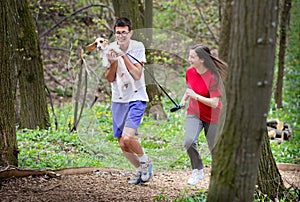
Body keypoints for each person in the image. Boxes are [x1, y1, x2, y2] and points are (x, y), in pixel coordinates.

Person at [105, 17, 153, 185]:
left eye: (124, 33)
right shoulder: (109, 49)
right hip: (118, 100)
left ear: (130, 32)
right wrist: (112, 62)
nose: (121, 36)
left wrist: (123, 56)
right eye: (118, 33)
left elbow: (137, 74)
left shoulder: (137, 47)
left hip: (136, 97)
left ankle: (146, 162)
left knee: (127, 138)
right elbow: (109, 78)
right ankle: (139, 170)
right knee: (123, 144)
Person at [179, 44, 227, 186]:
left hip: (213, 117)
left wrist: (196, 96)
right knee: (189, 141)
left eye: (192, 57)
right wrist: (183, 100)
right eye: (189, 56)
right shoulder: (190, 72)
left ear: (202, 60)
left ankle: (220, 178)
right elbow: (190, 88)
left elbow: (214, 102)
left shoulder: (213, 77)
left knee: (215, 149)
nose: (189, 59)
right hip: (194, 113)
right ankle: (198, 170)